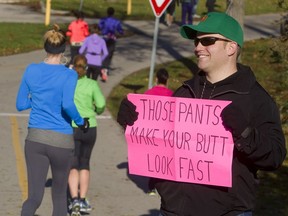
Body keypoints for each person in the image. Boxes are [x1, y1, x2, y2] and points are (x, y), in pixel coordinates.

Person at [117, 12, 287, 216]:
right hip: (173, 210)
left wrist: (245, 133)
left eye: (208, 40)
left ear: (231, 47)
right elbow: (163, 143)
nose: (198, 47)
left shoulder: (254, 97)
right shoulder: (184, 92)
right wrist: (134, 123)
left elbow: (275, 156)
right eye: (197, 41)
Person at [16, 24, 89, 216]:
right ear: (63, 49)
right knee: (58, 197)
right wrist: (81, 121)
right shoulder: (69, 74)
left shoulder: (31, 70)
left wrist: (39, 98)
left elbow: (20, 104)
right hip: (61, 142)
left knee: (33, 198)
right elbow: (67, 105)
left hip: (35, 139)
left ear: (45, 47)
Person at [68, 55, 106, 215]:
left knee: (73, 163)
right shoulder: (92, 84)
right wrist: (96, 111)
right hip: (90, 126)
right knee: (85, 162)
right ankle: (83, 199)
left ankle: (74, 199)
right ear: (86, 68)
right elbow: (102, 104)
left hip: (73, 126)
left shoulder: (69, 84)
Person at [144, 68, 173, 196]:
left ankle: (151, 187)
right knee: (164, 159)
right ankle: (162, 185)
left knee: (153, 157)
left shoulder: (148, 93)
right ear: (167, 80)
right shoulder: (172, 94)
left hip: (151, 131)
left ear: (156, 79)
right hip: (166, 132)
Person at [98, 7, 124, 76]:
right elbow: (120, 30)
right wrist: (121, 32)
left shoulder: (103, 20)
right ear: (113, 13)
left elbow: (99, 26)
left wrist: (102, 30)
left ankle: (102, 67)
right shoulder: (116, 21)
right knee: (109, 54)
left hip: (104, 38)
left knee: (103, 53)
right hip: (112, 39)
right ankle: (105, 69)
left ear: (107, 12)